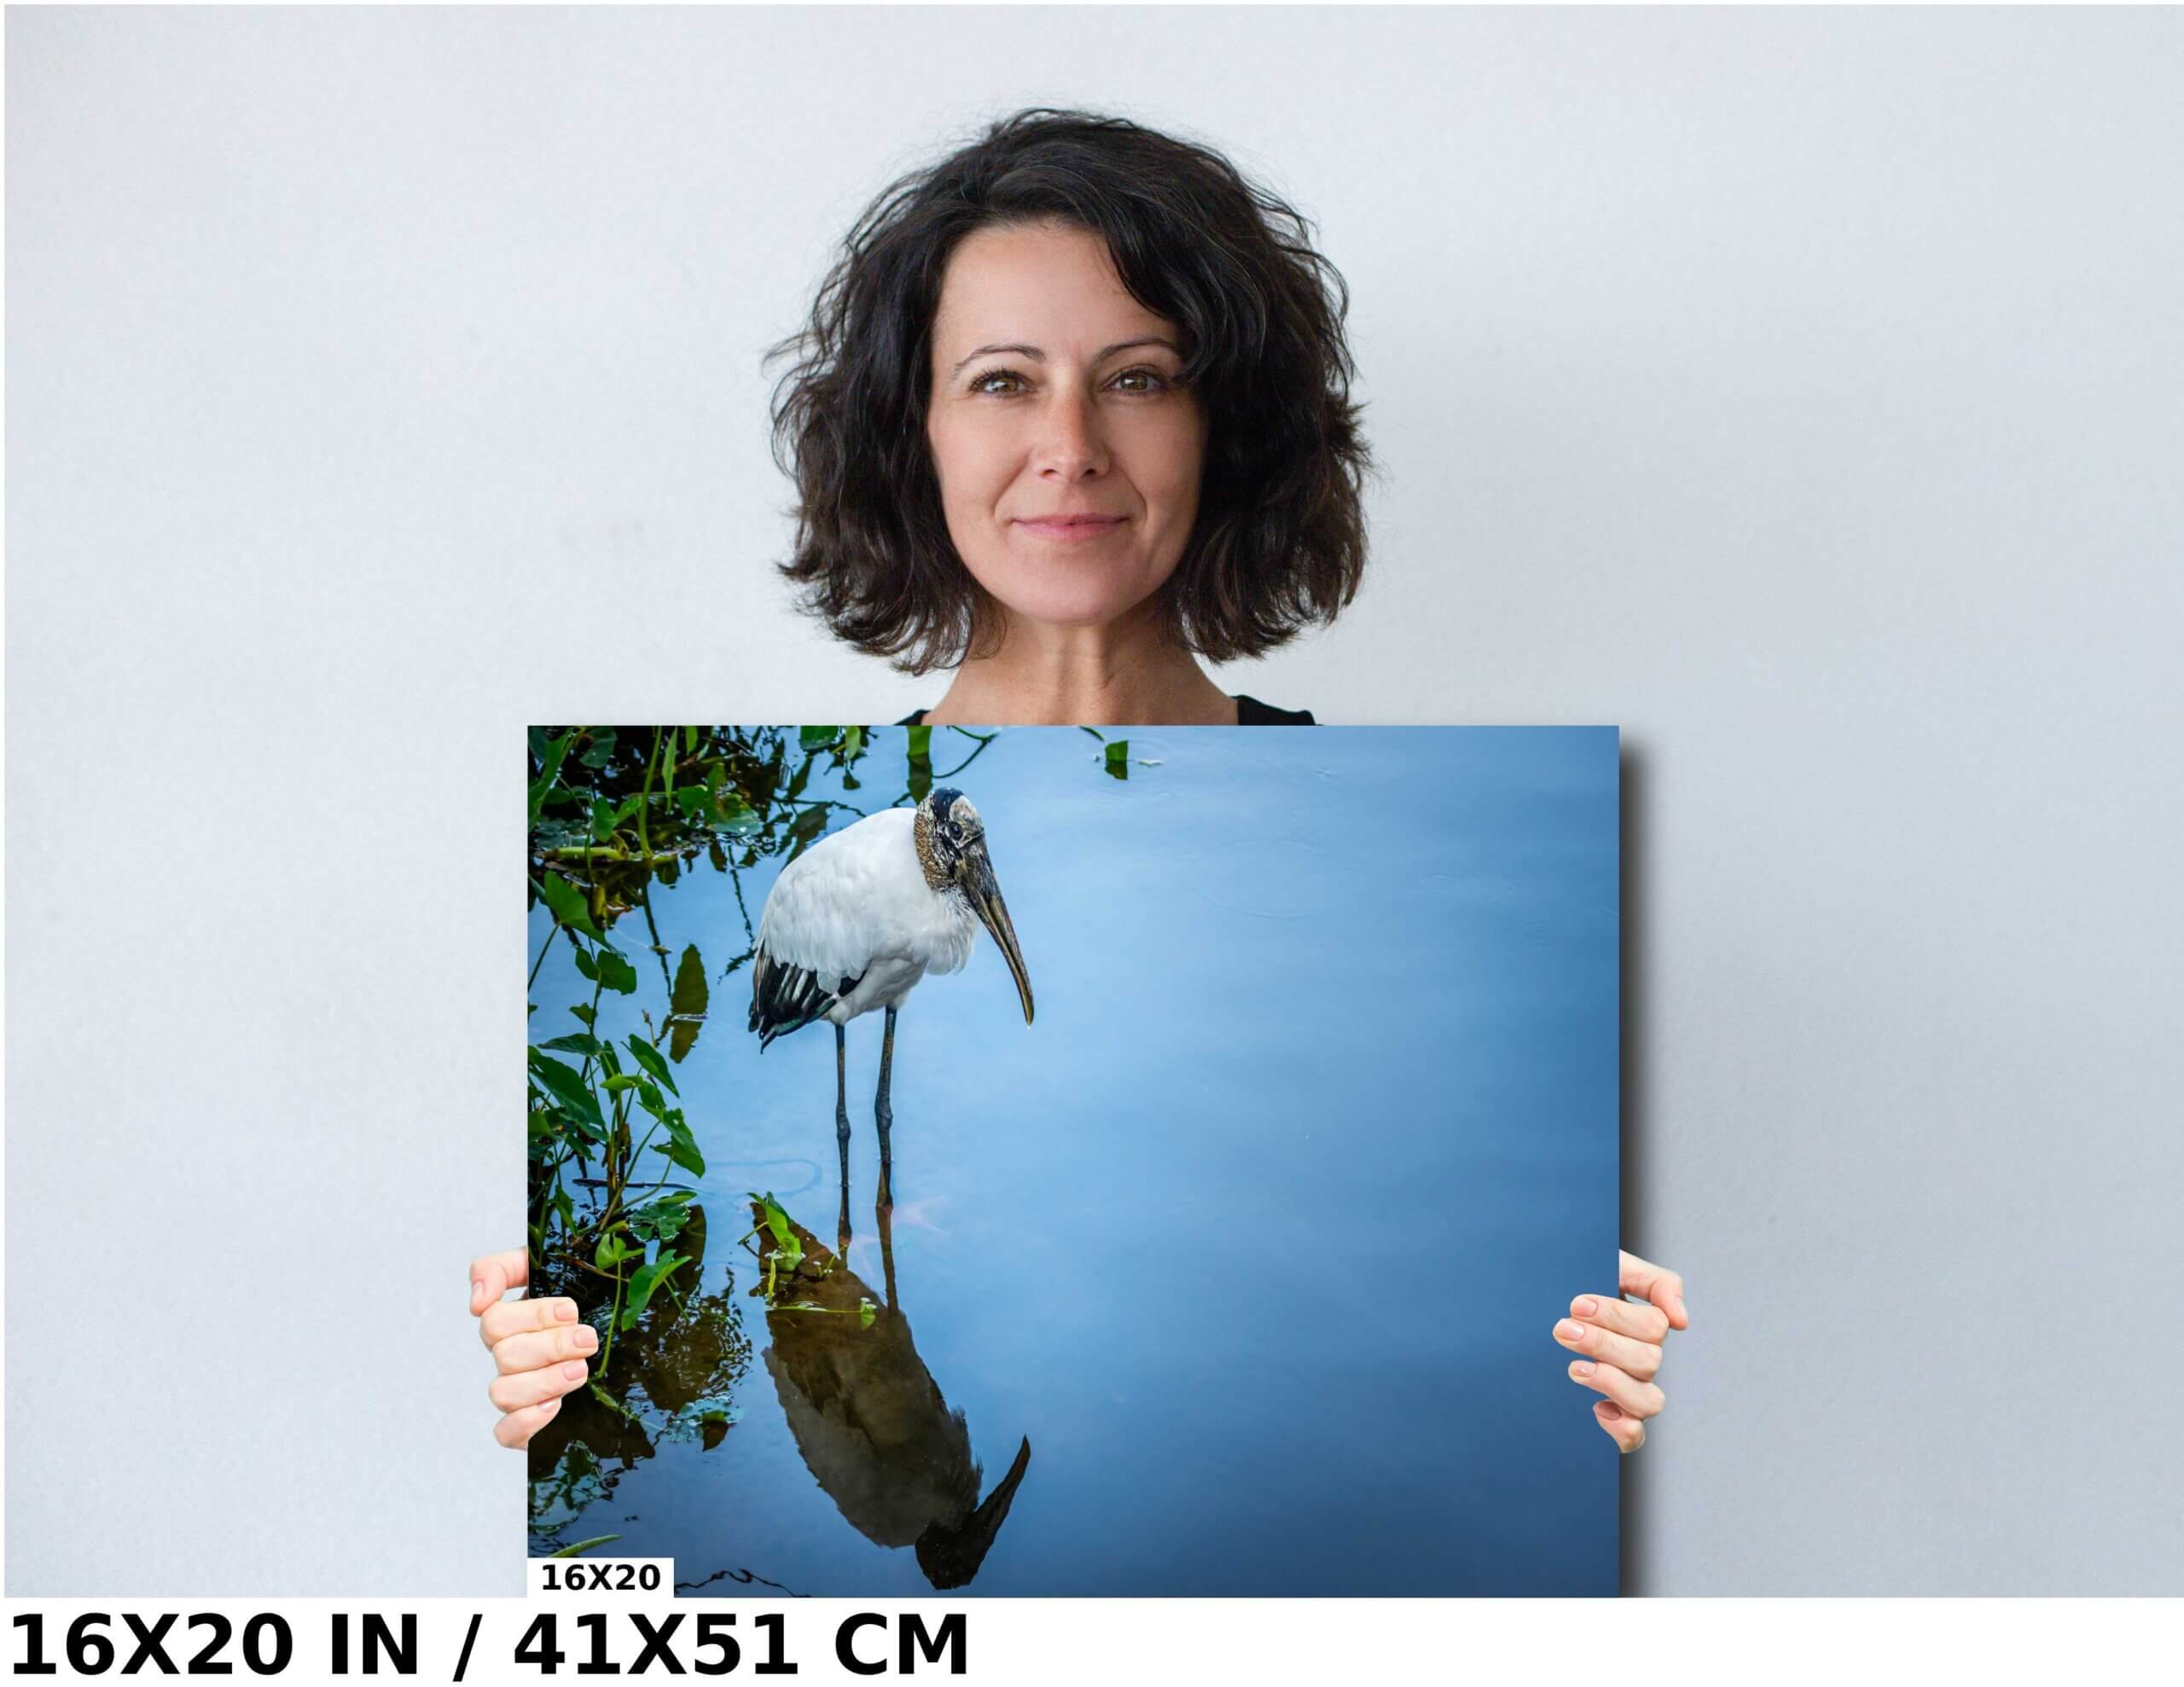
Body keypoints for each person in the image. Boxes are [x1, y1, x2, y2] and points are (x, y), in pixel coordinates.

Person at [481, 107, 1687, 1454]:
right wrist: (576, 1362)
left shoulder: (1369, 846)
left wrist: (1566, 1355)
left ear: (1224, 426)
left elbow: (1384, 1184)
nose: (1071, 446)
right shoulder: (850, 846)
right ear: (916, 433)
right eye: (1003, 381)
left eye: (1140, 378)